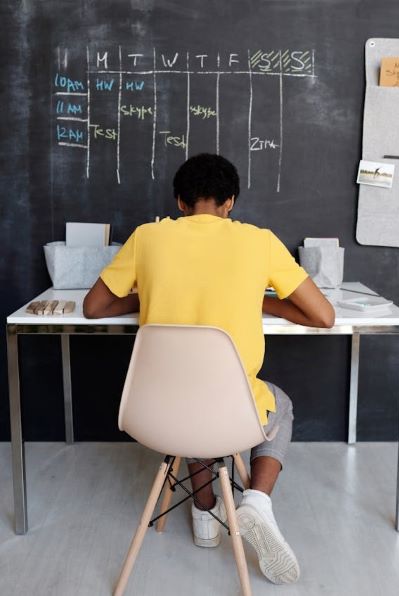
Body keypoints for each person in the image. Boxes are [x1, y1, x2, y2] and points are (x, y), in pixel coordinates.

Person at [83, 153, 335, 585]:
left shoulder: (147, 237)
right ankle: (255, 499)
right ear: (230, 202)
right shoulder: (260, 241)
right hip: (231, 412)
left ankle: (204, 512)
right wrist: (259, 296)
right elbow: (323, 316)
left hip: (155, 412)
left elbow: (94, 307)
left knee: (193, 396)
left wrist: (155, 292)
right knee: (277, 402)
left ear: (179, 202)